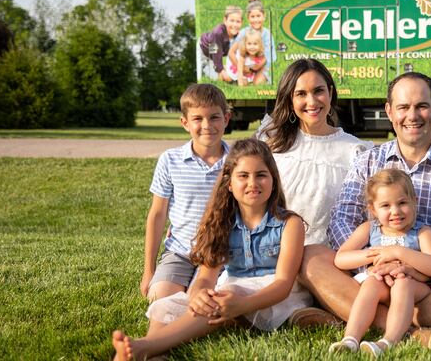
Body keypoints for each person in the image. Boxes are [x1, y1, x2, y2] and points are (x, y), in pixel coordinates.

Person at [300, 72, 431, 347]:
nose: (413, 115)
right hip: (373, 278)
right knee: (311, 257)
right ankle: (409, 331)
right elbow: (342, 219)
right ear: (389, 111)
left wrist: (421, 269)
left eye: (421, 105)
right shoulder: (367, 161)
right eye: (403, 107)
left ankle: (365, 316)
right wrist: (375, 261)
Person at [113, 139, 311, 360]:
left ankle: (143, 347)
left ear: (273, 181)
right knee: (167, 305)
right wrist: (198, 295)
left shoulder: (289, 223)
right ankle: (155, 352)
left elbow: (283, 284)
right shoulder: (221, 222)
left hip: (274, 299)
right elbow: (206, 277)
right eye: (243, 176)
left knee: (226, 296)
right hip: (232, 289)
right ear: (229, 183)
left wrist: (241, 305)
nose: (252, 183)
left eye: (261, 175)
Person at [257, 58, 373, 326]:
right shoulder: (272, 146)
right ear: (289, 99)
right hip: (279, 253)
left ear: (331, 93)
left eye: (319, 91)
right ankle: (313, 310)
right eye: (301, 94)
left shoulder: (356, 151)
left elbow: (366, 215)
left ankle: (326, 306)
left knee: (315, 272)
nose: (312, 101)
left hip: (329, 259)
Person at [329, 169, 431, 356]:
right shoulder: (370, 229)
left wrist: (398, 252)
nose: (395, 211)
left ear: (415, 202)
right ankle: (350, 339)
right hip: (381, 283)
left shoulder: (422, 232)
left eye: (402, 203)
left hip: (415, 287)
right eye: (385, 206)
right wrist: (378, 256)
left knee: (402, 284)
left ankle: (389, 341)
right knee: (370, 284)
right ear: (373, 209)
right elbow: (341, 258)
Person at [140, 84, 231, 304]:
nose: (207, 125)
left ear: (226, 119)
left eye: (214, 117)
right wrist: (148, 270)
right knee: (159, 298)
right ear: (185, 123)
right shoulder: (170, 160)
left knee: (205, 301)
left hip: (220, 255)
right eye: (198, 119)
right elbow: (157, 214)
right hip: (180, 252)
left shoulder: (237, 161)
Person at [229, 0, 275, 83]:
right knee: (243, 81)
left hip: (261, 66)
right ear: (248, 18)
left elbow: (268, 57)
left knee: (257, 83)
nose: (256, 19)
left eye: (258, 16)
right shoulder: (244, 32)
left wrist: (256, 67)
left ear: (264, 16)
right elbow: (231, 52)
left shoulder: (267, 34)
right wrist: (242, 68)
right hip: (244, 65)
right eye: (252, 16)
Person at [198, 5, 243, 83]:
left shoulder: (238, 35)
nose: (235, 25)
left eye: (238, 21)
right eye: (232, 21)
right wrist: (221, 71)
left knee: (228, 74)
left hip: (214, 56)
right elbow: (214, 52)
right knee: (217, 78)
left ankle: (214, 67)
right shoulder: (217, 33)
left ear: (241, 22)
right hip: (203, 50)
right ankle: (204, 68)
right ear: (225, 20)